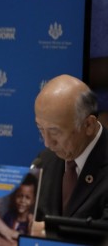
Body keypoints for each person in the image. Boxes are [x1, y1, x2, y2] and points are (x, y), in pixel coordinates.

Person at [31, 74, 108, 236]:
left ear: (88, 125)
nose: (47, 143)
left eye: (54, 131)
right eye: (40, 129)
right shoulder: (44, 161)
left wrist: (47, 232)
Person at [0, 173, 38, 246]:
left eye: (27, 197)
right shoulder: (8, 216)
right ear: (14, 196)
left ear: (34, 200)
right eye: (19, 196)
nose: (23, 201)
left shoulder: (31, 222)